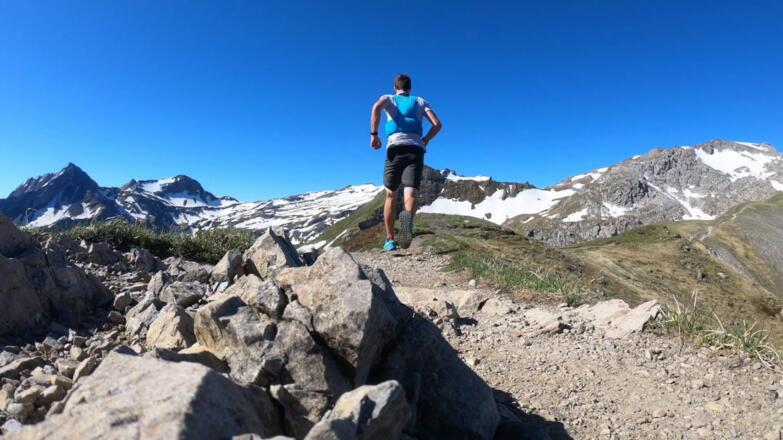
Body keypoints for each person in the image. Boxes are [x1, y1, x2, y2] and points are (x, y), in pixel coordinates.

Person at [370, 74, 442, 251]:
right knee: (410, 194)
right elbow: (437, 124)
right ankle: (407, 222)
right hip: (415, 150)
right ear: (410, 88)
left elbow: (376, 107)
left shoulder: (389, 98)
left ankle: (389, 240)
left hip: (395, 149)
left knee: (391, 195)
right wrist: (426, 140)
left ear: (395, 87)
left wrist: (374, 135)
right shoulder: (420, 101)